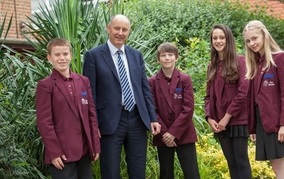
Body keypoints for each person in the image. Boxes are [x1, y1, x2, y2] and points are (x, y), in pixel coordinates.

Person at [83, 14, 161, 179]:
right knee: (110, 171)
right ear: (108, 28)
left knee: (138, 170)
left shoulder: (136, 55)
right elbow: (90, 94)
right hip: (109, 122)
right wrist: (93, 124)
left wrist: (152, 118)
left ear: (129, 31)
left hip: (137, 119)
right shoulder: (93, 56)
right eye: (117, 28)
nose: (120, 33)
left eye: (124, 29)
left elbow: (144, 88)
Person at [35, 38, 100, 179]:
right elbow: (44, 122)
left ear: (71, 55)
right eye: (57, 55)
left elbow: (91, 115)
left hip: (84, 150)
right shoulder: (45, 85)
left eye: (65, 54)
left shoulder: (83, 81)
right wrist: (54, 152)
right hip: (62, 153)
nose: (62, 58)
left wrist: (95, 145)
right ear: (49, 57)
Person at [243, 20, 284, 179]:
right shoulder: (256, 63)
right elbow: (253, 100)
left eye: (255, 38)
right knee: (278, 166)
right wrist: (253, 128)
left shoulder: (280, 58)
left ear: (264, 35)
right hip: (263, 123)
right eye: (248, 41)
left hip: (277, 123)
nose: (252, 43)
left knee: (278, 166)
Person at [204, 24, 252, 179]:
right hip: (219, 123)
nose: (218, 41)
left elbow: (243, 92)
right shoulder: (211, 66)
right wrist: (209, 117)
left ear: (228, 39)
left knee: (241, 161)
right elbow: (208, 97)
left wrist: (226, 117)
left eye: (222, 37)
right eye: (215, 38)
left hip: (237, 120)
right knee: (231, 162)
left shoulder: (241, 61)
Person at [148, 42, 200, 179]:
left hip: (184, 133)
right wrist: (166, 134)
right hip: (162, 136)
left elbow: (188, 108)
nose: (167, 58)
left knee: (191, 172)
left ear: (176, 57)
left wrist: (173, 132)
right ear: (158, 59)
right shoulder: (152, 82)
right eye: (163, 55)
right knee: (165, 173)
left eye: (170, 55)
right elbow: (152, 108)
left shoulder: (184, 79)